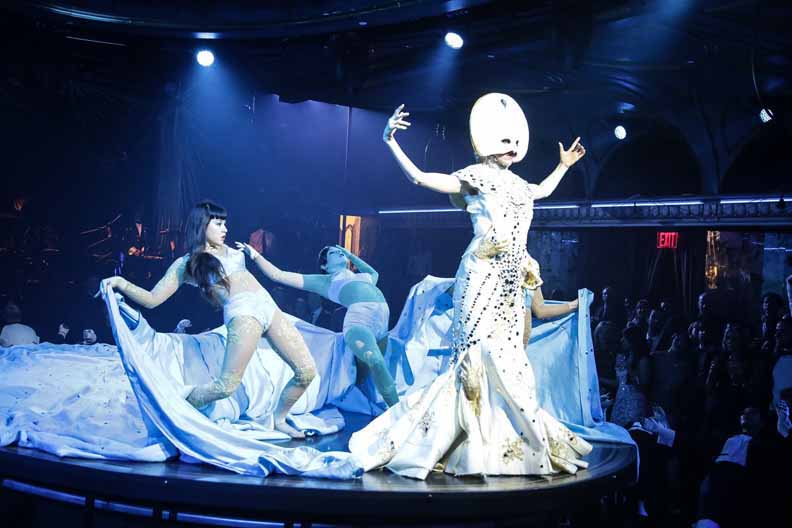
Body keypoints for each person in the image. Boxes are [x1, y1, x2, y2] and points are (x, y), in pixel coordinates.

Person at [348, 94, 591, 479]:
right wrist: (390, 140)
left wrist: (562, 167)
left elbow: (541, 191)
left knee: (509, 360)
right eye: (504, 139)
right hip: (480, 274)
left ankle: (502, 443)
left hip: (512, 280)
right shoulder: (474, 177)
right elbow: (421, 178)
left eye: (515, 141)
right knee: (474, 361)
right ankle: (465, 441)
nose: (511, 147)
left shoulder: (519, 185)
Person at [100, 200, 316, 438]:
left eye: (226, 224)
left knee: (306, 371)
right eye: (219, 223)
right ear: (203, 225)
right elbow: (152, 299)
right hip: (244, 315)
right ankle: (174, 407)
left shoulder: (236, 252)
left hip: (269, 308)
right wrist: (121, 283)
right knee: (226, 386)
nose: (225, 229)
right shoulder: (187, 263)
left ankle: (279, 419)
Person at [237, 243, 399, 406]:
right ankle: (398, 412)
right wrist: (255, 255)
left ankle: (359, 403)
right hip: (360, 323)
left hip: (381, 324)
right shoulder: (325, 281)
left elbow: (374, 273)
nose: (340, 252)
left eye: (341, 251)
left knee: (369, 375)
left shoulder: (361, 276)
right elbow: (278, 275)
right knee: (376, 362)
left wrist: (350, 256)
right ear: (324, 265)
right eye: (334, 253)